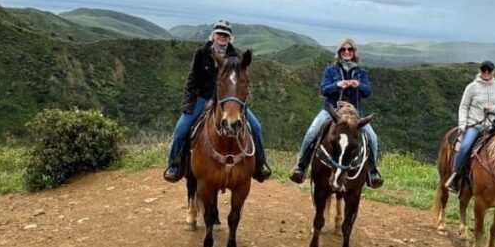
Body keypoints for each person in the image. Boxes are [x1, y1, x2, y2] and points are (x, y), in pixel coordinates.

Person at [163, 20, 271, 183]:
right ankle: (174, 165)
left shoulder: (235, 57)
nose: (222, 37)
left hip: (228, 101)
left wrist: (239, 103)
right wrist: (188, 105)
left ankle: (260, 164)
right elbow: (192, 80)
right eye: (219, 34)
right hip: (202, 97)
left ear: (230, 38)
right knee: (181, 128)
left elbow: (239, 83)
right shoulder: (201, 53)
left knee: (256, 127)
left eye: (225, 35)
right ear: (213, 35)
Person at [289, 38, 383, 189]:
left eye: (350, 49)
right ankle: (300, 166)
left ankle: (372, 172)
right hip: (332, 111)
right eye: (343, 49)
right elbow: (324, 90)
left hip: (354, 113)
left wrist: (358, 84)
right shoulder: (331, 70)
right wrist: (337, 85)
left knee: (372, 137)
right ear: (339, 52)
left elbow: (367, 92)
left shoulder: (361, 72)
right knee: (312, 132)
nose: (347, 52)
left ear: (354, 52)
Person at [445, 60, 495, 193]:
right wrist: (462, 124)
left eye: (489, 70)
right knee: (464, 146)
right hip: (475, 125)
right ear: (480, 71)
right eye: (484, 69)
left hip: (494, 125)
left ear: (493, 71)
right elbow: (463, 106)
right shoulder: (471, 87)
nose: (486, 72)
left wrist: (493, 108)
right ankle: (455, 177)